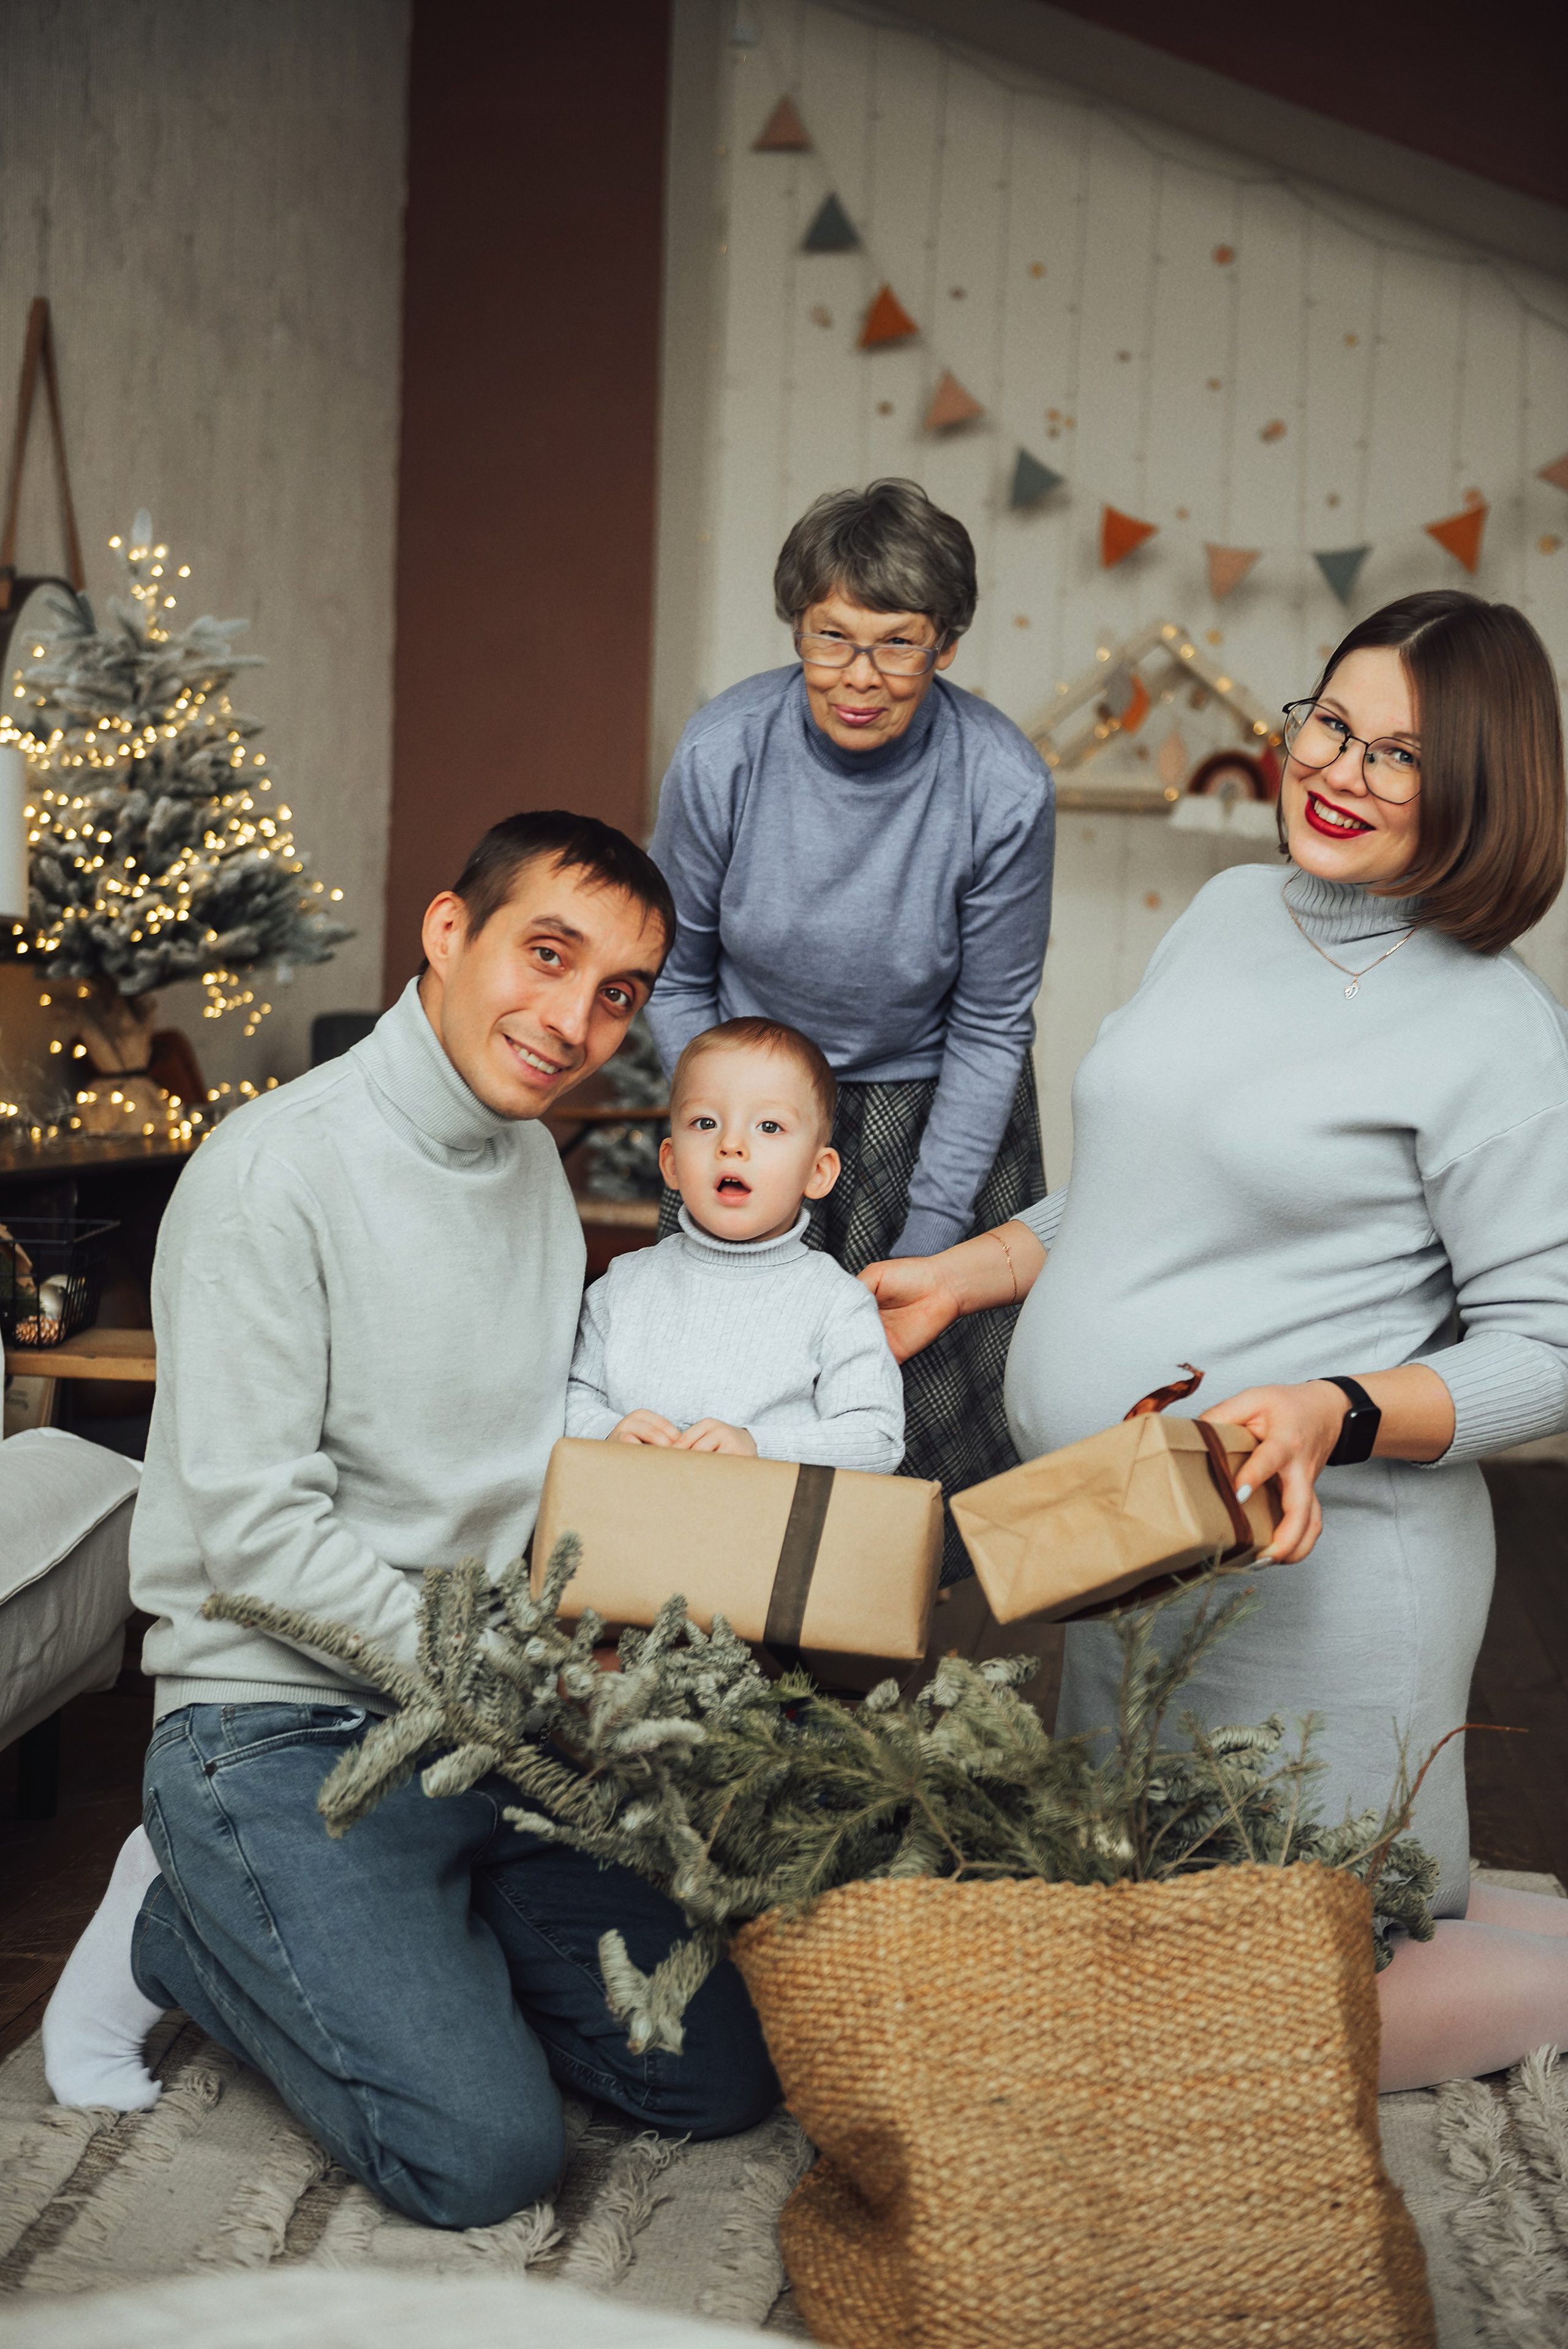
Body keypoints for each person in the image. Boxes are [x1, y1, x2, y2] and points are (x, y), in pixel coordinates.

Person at [859, 589, 1568, 2091]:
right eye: (1332, 721)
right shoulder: (1230, 911)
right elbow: (1132, 1177)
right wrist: (967, 1271)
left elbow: (1550, 1342)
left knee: (1237, 2019)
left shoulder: (1494, 1032)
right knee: (1149, 1931)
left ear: (1480, 792)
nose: (1340, 772)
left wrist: (1331, 1407)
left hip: (1317, 1576)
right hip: (1126, 1540)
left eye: (1401, 756)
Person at [42, 812, 778, 2223]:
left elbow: (479, 1447)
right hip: (275, 1721)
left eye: (617, 990)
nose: (574, 1021)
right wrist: (530, 1683)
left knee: (712, 2070)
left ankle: (394, 1939)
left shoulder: (527, 1168)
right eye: (545, 955)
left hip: (478, 1720)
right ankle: (180, 1917)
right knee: (483, 2155)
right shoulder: (273, 1171)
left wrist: (600, 1446)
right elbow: (260, 1542)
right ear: (447, 931)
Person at [646, 478, 1054, 1574]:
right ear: (797, 627)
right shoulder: (724, 750)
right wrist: (726, 1114)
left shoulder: (1003, 784)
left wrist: (931, 1237)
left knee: (911, 1454)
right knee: (726, 1400)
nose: (859, 679)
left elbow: (990, 1024)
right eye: (832, 638)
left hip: (935, 1111)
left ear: (948, 645)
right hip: (751, 1099)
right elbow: (674, 971)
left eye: (897, 644)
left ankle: (892, 1702)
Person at [567, 1016, 903, 1471]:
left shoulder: (836, 1302)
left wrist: (758, 1446)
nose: (731, 1144)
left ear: (817, 1172)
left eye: (768, 1126)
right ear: (670, 1162)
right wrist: (605, 1431)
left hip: (763, 1535)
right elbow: (565, 1400)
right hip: (630, 1526)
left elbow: (877, 1440)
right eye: (705, 1122)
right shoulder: (623, 1284)